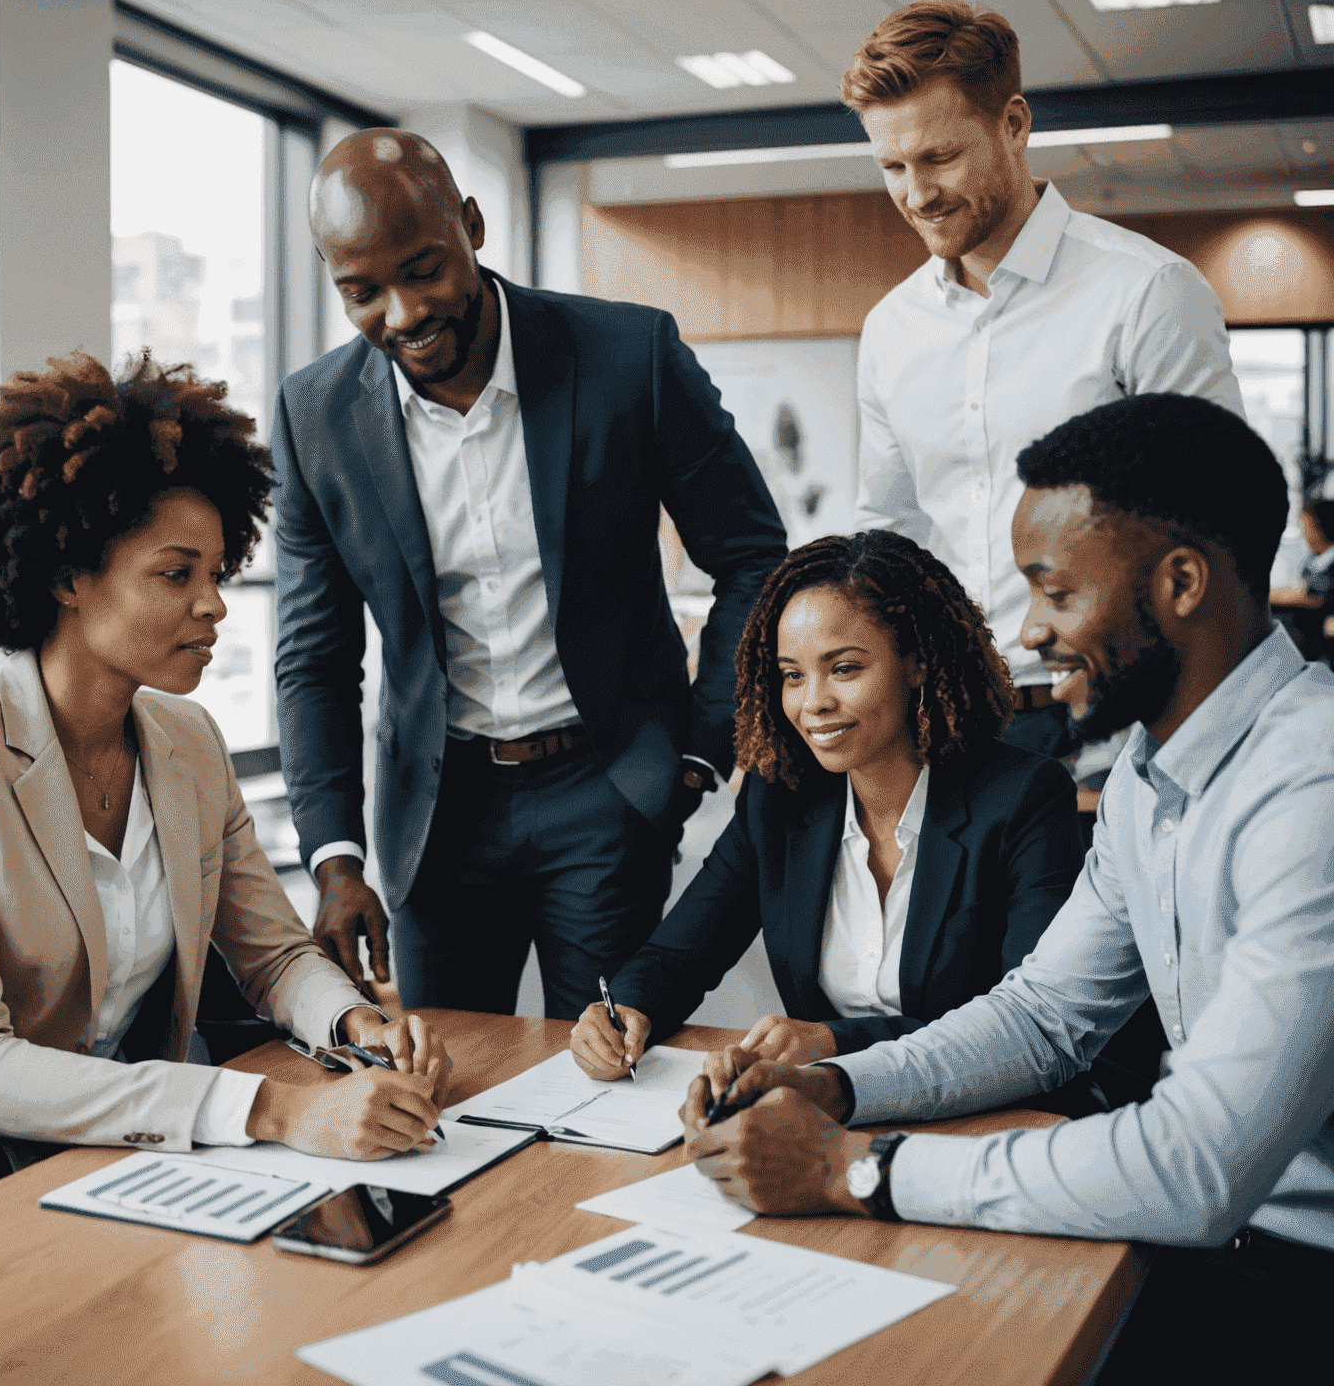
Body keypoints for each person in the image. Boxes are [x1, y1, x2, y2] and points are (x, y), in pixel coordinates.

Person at [681, 395, 1333, 1375]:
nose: (1031, 633)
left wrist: (856, 1168)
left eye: (1057, 592)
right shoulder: (1150, 782)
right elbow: (1041, 1018)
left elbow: (1200, 1165)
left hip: (1296, 1283)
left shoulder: (1312, 783)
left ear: (1183, 582)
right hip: (1204, 1255)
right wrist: (838, 1084)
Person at [0, 353, 450, 1249]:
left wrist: (357, 1025)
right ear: (69, 577)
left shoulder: (187, 744)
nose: (215, 607)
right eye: (176, 575)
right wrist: (272, 1109)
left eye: (218, 572)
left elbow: (272, 957)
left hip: (111, 1164)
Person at [272, 129, 788, 1019]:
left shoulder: (630, 357)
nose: (400, 314)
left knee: (603, 1062)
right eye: (361, 292)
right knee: (444, 1077)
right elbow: (314, 658)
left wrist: (700, 752)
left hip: (605, 788)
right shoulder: (315, 413)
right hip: (438, 814)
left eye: (423, 270)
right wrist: (335, 857)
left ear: (471, 226)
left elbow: (752, 561)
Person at [846, 0, 1243, 758]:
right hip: (955, 725)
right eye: (892, 167)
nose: (917, 194)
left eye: (939, 158)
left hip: (1115, 724)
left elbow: (1218, 524)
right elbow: (889, 533)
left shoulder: (1147, 291)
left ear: (1015, 124)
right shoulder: (891, 330)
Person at [570, 531, 1084, 1081]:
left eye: (844, 669)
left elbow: (1026, 1024)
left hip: (979, 1116)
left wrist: (836, 1041)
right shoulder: (781, 798)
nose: (813, 701)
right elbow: (679, 954)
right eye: (793, 675)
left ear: (917, 663)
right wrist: (625, 1008)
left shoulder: (1025, 798)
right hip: (823, 1115)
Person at [1269, 497, 1334, 662]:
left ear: (1319, 527)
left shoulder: (1329, 566)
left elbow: (1307, 596)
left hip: (1321, 651)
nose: (1302, 532)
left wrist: (1260, 595)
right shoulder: (1317, 562)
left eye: (1305, 525)